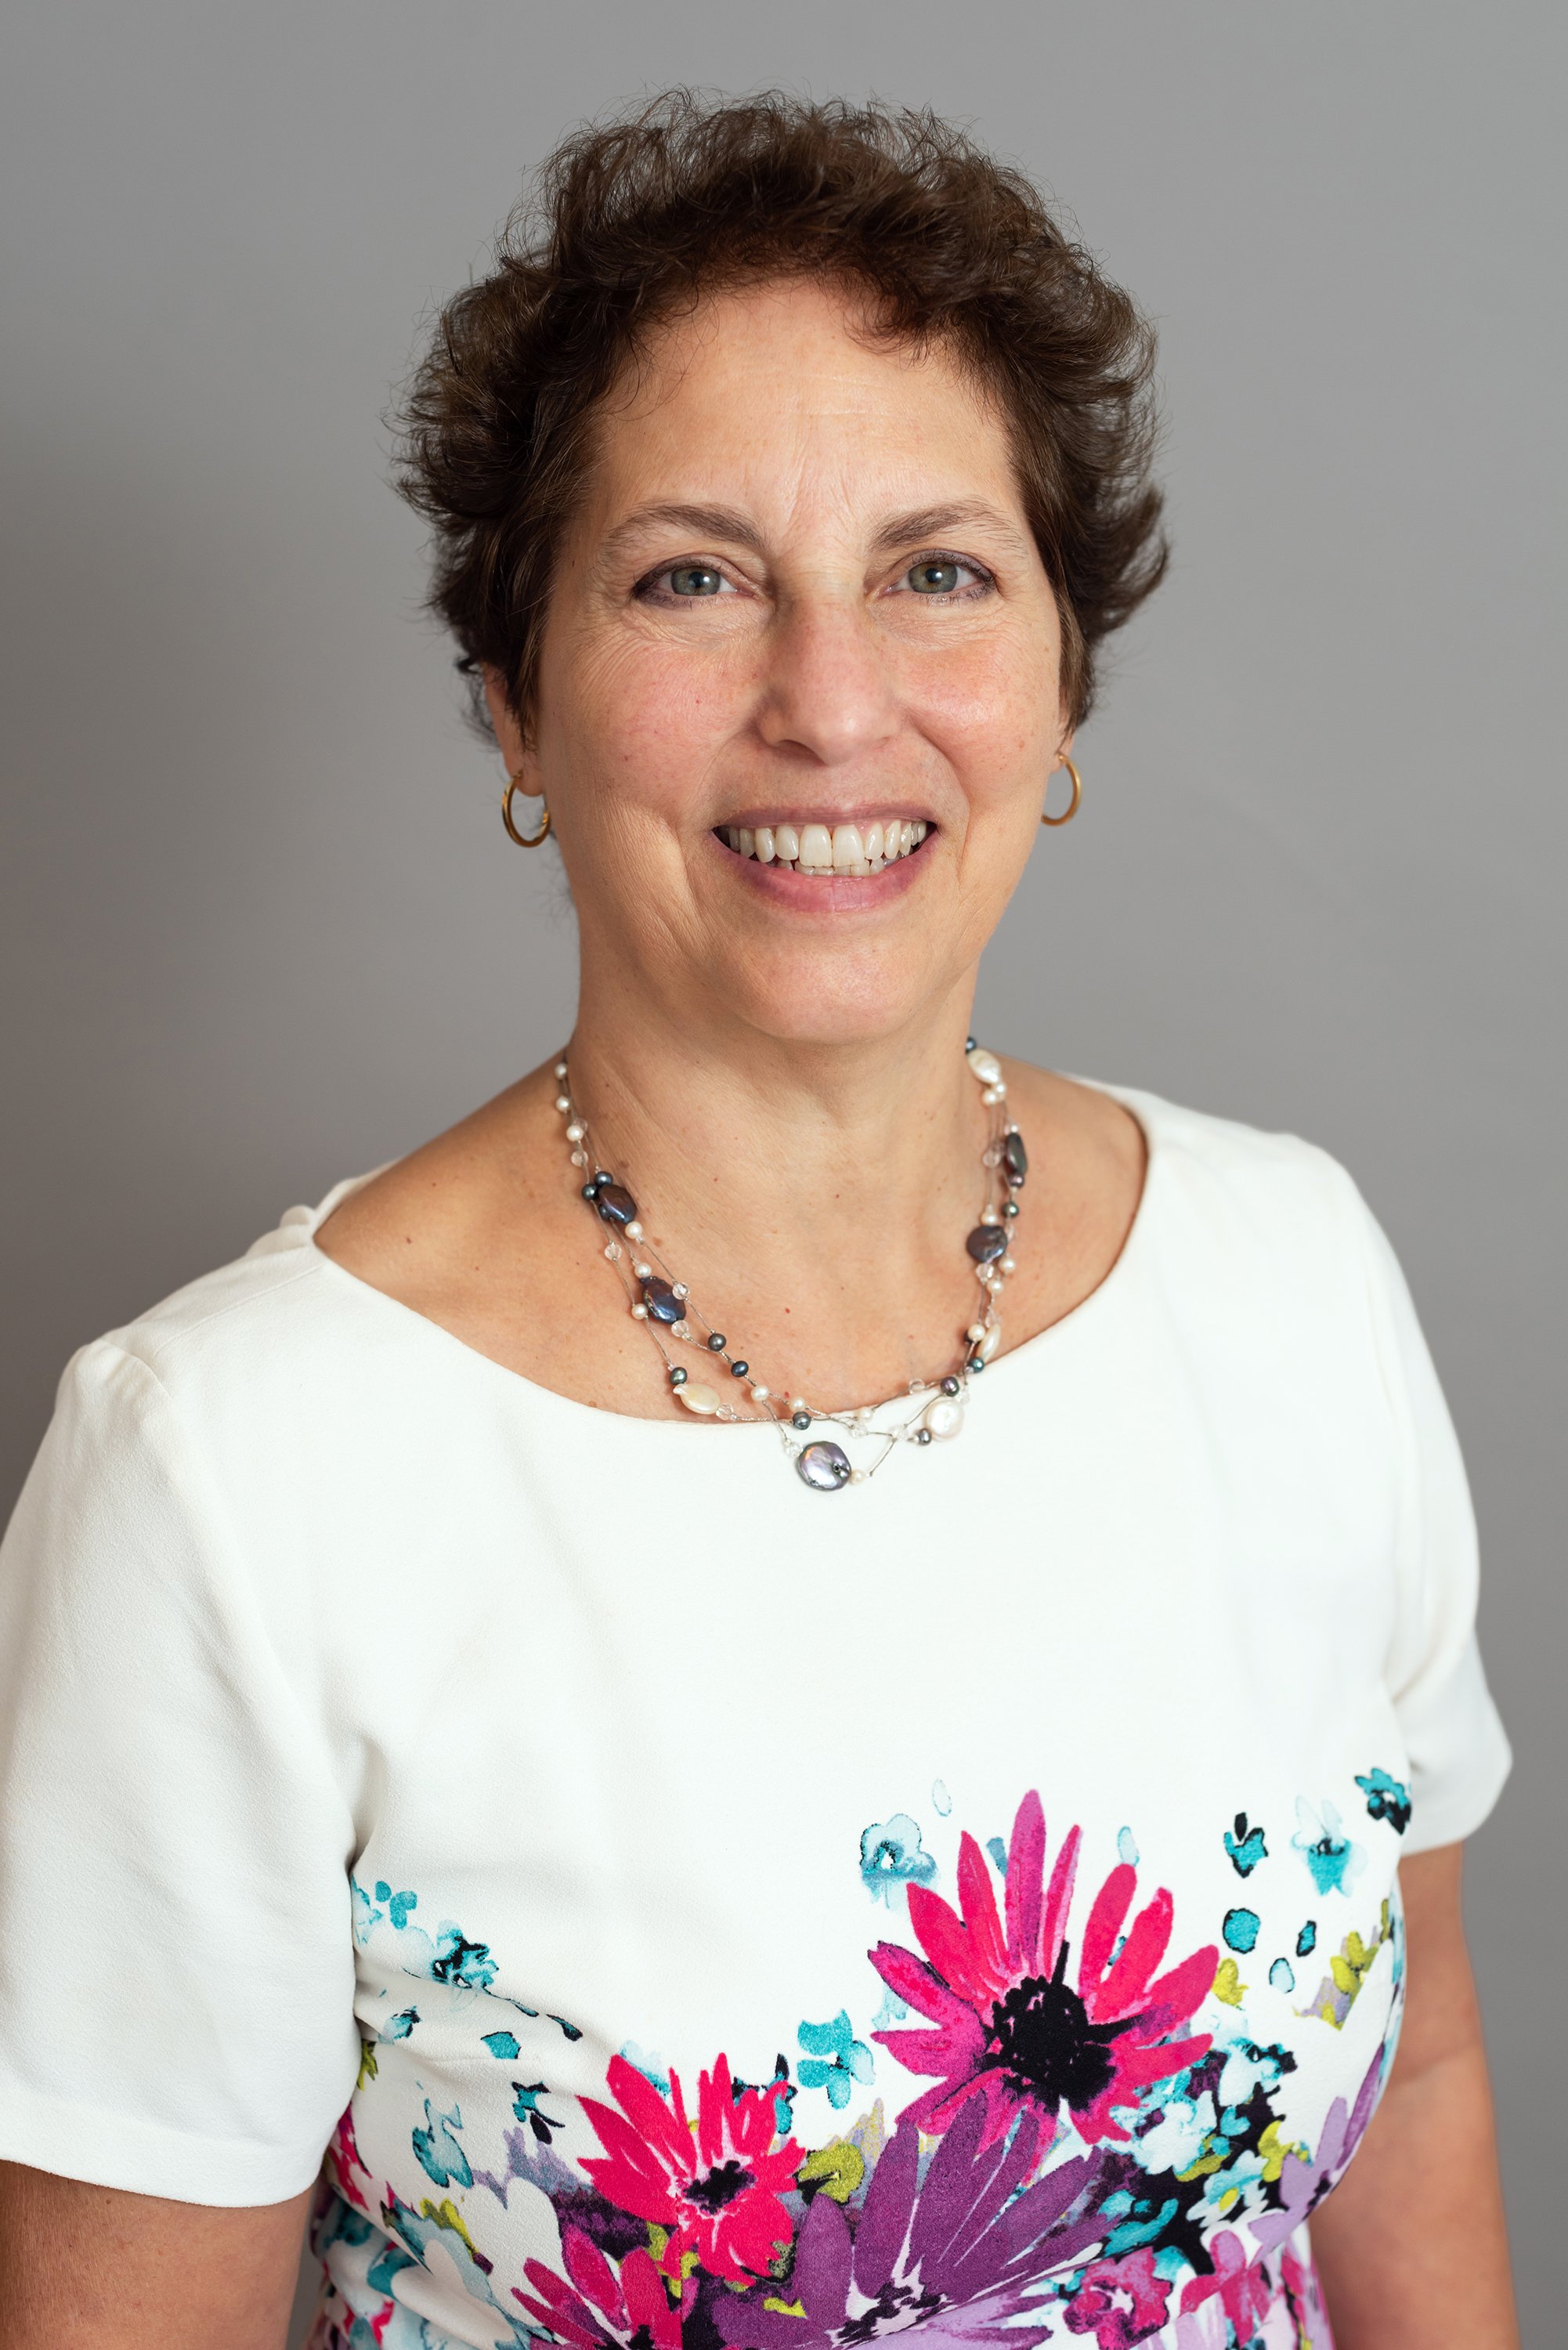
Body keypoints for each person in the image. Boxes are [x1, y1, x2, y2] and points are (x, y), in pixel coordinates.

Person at [0, 93, 1519, 2350]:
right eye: (691, 576)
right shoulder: (226, 1475)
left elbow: (1424, 2094)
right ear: (514, 696)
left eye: (935, 571)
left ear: (1060, 684)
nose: (829, 702)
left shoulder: (1289, 1277)